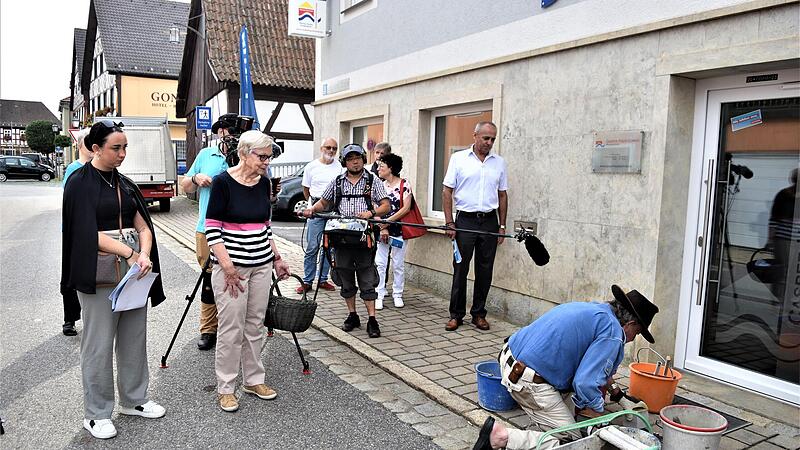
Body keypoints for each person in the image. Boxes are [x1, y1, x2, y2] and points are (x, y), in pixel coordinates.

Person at [61, 120, 167, 439]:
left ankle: (134, 400)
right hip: (99, 274)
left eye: (125, 148)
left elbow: (145, 226)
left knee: (134, 339)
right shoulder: (79, 182)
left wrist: (144, 254)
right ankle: (96, 414)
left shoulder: (125, 184)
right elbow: (85, 233)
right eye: (115, 148)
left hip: (133, 271)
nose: (122, 154)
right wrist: (130, 253)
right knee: (98, 344)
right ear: (95, 148)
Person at [472, 285, 660, 450]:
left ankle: (547, 422)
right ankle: (502, 437)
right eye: (637, 332)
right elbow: (585, 383)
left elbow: (598, 369)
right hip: (528, 381)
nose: (634, 338)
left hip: (511, 359)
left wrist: (619, 396)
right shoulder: (613, 333)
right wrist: (599, 414)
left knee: (572, 422)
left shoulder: (598, 311)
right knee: (574, 442)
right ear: (630, 323)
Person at [205, 130, 291, 413]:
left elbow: (265, 227)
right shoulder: (222, 183)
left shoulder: (264, 183)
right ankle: (226, 387)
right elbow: (212, 229)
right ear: (243, 153)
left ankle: (253, 380)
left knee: (255, 325)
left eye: (270, 156)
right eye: (262, 156)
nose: (267, 162)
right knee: (231, 328)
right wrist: (227, 267)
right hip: (232, 269)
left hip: (261, 266)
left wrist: (277, 257)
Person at [302, 144, 391, 338]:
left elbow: (386, 205)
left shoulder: (372, 180)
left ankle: (372, 319)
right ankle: (352, 315)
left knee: (367, 277)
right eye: (350, 159)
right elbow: (324, 202)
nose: (355, 161)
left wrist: (371, 212)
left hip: (363, 237)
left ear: (363, 159)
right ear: (345, 162)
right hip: (341, 237)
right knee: (345, 277)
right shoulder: (338, 181)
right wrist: (312, 210)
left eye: (358, 157)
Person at [180, 113, 239, 351]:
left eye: (233, 130)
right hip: (207, 228)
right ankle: (208, 328)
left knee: (237, 276)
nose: (228, 134)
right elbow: (184, 185)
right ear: (219, 133)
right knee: (209, 279)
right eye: (225, 130)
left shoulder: (245, 155)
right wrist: (196, 177)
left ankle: (234, 326)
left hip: (238, 229)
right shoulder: (206, 155)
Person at [442, 121, 507, 331]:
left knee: (485, 270)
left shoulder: (499, 163)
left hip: (489, 221)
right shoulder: (458, 159)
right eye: (486, 138)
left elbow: (502, 194)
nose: (489, 142)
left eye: (493, 139)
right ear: (475, 136)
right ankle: (456, 315)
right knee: (460, 268)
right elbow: (446, 191)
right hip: (465, 221)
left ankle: (479, 314)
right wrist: (449, 222)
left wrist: (502, 225)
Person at [297, 138, 343, 294]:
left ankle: (322, 279)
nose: (331, 151)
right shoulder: (311, 167)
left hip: (333, 212)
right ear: (321, 148)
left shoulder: (340, 168)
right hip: (316, 211)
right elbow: (306, 189)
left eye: (334, 148)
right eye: (328, 147)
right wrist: (312, 205)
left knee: (328, 248)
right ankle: (307, 281)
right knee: (312, 247)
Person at [60, 128, 92, 336]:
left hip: (97, 231)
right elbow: (69, 201)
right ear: (81, 145)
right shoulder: (74, 168)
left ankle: (93, 316)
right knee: (72, 274)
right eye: (88, 142)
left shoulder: (101, 168)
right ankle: (69, 319)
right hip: (75, 231)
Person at [374, 153, 412, 309]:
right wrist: (381, 226)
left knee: (398, 263)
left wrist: (387, 223)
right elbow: (374, 208)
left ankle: (397, 293)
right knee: (380, 263)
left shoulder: (404, 184)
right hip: (381, 229)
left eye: (382, 166)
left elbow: (406, 208)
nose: (378, 169)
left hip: (399, 230)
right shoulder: (379, 185)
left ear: (391, 168)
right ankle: (379, 293)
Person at [767, 168, 798, 300]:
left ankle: (790, 299)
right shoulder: (783, 195)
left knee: (794, 272)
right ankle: (778, 298)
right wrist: (770, 240)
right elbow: (773, 219)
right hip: (783, 240)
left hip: (797, 240)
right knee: (781, 271)